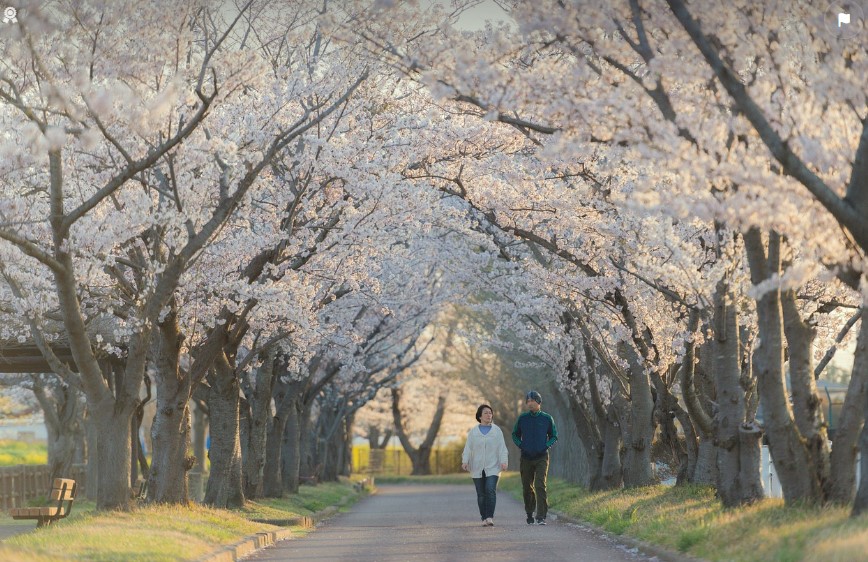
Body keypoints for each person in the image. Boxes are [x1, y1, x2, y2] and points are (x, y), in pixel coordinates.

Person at [512, 390, 558, 525]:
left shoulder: (547, 418)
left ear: (539, 402)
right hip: (526, 457)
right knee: (527, 486)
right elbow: (515, 434)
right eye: (528, 401)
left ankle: (541, 516)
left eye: (532, 400)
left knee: (540, 485)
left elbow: (554, 436)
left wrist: (546, 446)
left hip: (541, 457)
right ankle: (529, 512)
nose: (530, 403)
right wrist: (521, 445)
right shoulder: (522, 418)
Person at [461, 403, 509, 526]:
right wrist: (465, 461)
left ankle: (489, 517)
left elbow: (502, 448)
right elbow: (468, 448)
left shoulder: (497, 430)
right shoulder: (473, 432)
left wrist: (504, 461)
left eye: (490, 413)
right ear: (480, 416)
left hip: (493, 466)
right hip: (476, 467)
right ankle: (483, 517)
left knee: (490, 489)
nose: (489, 415)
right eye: (486, 413)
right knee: (481, 494)